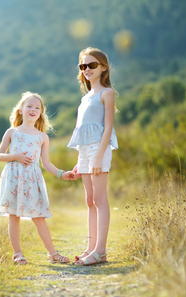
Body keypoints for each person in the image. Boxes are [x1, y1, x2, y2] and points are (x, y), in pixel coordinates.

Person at [0, 91, 75, 265]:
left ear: (40, 113)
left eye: (37, 107)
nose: (33, 109)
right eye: (29, 106)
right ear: (20, 110)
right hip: (14, 179)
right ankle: (18, 254)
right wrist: (15, 156)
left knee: (39, 217)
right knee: (13, 216)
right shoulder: (12, 132)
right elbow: (0, 155)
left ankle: (52, 253)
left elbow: (46, 163)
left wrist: (62, 174)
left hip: (32, 181)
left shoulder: (42, 137)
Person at [68, 47, 119, 266]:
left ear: (103, 67)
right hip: (85, 152)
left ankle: (100, 251)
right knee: (90, 201)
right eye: (83, 66)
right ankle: (91, 247)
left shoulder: (106, 93)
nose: (87, 69)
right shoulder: (85, 98)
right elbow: (82, 130)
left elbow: (107, 128)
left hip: (99, 150)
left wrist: (98, 156)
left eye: (92, 65)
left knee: (99, 199)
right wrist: (81, 160)